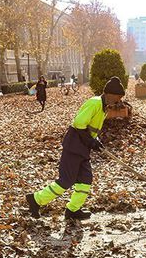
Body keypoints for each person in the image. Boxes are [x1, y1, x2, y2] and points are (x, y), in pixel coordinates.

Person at [25, 77, 126, 221]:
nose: (119, 100)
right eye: (118, 97)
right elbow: (79, 123)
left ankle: (73, 209)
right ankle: (36, 199)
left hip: (83, 148)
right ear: (110, 94)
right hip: (74, 146)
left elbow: (91, 127)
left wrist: (95, 140)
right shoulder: (95, 103)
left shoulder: (104, 107)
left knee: (85, 180)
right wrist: (90, 140)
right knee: (66, 181)